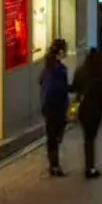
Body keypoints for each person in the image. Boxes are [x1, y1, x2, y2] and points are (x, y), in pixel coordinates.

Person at [71, 49, 102, 179]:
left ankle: (89, 165)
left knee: (87, 138)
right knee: (91, 138)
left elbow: (75, 87)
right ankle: (90, 167)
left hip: (83, 110)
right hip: (96, 111)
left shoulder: (80, 71)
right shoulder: (101, 74)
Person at [40, 40, 70, 177]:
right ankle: (54, 166)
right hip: (56, 107)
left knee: (53, 136)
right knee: (55, 136)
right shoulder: (57, 69)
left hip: (50, 107)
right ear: (60, 52)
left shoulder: (49, 67)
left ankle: (54, 164)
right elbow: (58, 88)